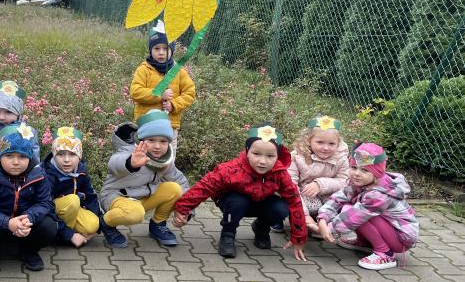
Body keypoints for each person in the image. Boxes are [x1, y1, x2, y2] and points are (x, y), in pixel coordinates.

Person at [173, 124, 308, 260]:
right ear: (247, 151)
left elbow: (294, 201)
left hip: (260, 202)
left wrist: (298, 237)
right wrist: (182, 208)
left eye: (270, 156)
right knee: (237, 201)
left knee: (281, 208)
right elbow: (204, 187)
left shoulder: (280, 173)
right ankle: (228, 233)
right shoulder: (231, 169)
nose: (263, 161)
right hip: (233, 204)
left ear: (278, 156)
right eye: (256, 154)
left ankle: (262, 227)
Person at [317, 143, 419, 271]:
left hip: (401, 239)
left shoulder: (379, 194)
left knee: (355, 212)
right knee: (350, 206)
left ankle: (385, 253)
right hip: (391, 231)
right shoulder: (360, 183)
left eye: (364, 170)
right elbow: (338, 198)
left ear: (377, 173)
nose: (357, 174)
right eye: (354, 167)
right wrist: (323, 217)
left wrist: (327, 229)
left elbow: (353, 217)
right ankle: (364, 242)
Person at [0, 124, 56, 273]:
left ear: (30, 157)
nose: (16, 162)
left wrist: (29, 217)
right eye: (9, 156)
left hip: (25, 226)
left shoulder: (39, 174)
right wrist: (7, 223)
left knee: (49, 226)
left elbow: (45, 203)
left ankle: (28, 251)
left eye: (22, 156)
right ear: (0, 156)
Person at [99, 110, 189, 248]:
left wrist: (185, 210)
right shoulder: (130, 151)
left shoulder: (165, 161)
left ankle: (158, 224)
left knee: (175, 189)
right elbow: (114, 163)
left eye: (163, 141)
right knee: (135, 214)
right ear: (141, 140)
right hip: (116, 196)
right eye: (151, 140)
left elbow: (181, 181)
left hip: (142, 198)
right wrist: (130, 163)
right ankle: (105, 223)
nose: (157, 146)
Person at [129, 21, 196, 138]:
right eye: (156, 48)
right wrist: (159, 94)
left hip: (169, 126)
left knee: (168, 150)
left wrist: (173, 105)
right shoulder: (144, 69)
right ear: (151, 50)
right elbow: (135, 92)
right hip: (146, 123)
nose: (161, 52)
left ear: (172, 50)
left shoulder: (178, 71)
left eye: (165, 49)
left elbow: (189, 93)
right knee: (145, 149)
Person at [284, 116, 349, 234]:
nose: (326, 148)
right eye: (320, 142)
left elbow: (344, 181)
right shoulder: (296, 156)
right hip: (303, 194)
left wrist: (320, 184)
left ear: (338, 143)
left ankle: (324, 223)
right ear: (308, 140)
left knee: (343, 202)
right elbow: (290, 185)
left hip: (327, 192)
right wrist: (304, 215)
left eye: (331, 144)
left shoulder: (341, 157)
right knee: (306, 204)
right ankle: (300, 220)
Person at [42, 126, 104, 247]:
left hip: (71, 210)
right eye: (61, 154)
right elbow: (45, 206)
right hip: (50, 212)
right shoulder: (47, 174)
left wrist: (99, 227)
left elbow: (91, 197)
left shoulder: (81, 171)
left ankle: (70, 231)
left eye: (72, 154)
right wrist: (70, 235)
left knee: (92, 224)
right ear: (54, 155)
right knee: (73, 200)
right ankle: (62, 237)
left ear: (79, 156)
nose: (66, 160)